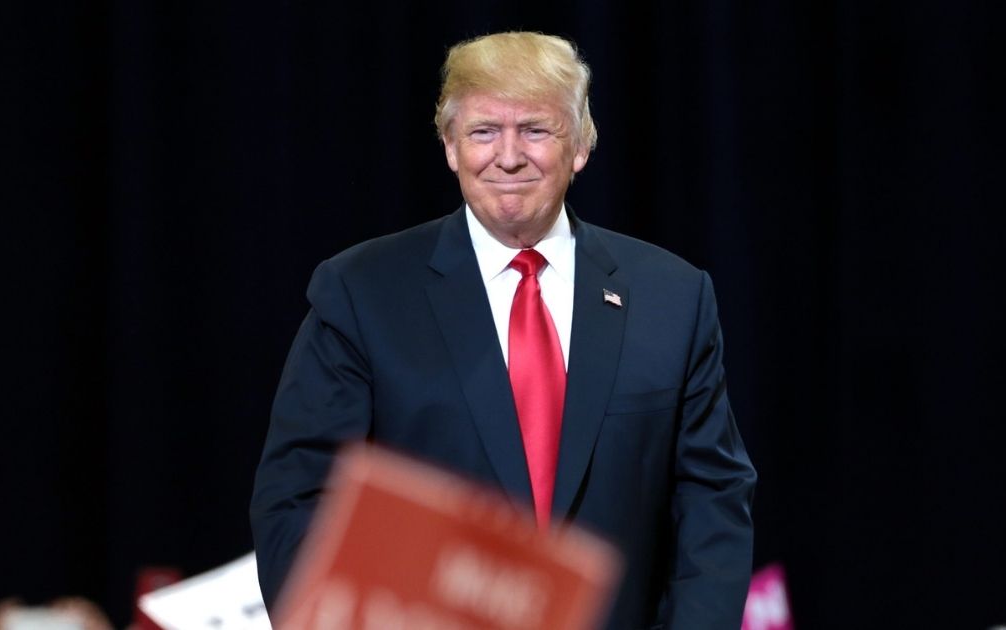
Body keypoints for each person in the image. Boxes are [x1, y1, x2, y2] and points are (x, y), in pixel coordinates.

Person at [250, 31, 756, 629]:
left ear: (581, 147)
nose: (508, 156)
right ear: (449, 147)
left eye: (536, 131)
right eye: (484, 131)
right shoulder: (362, 292)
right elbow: (300, 501)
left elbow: (711, 502)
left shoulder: (672, 296)